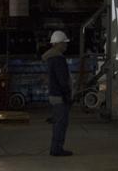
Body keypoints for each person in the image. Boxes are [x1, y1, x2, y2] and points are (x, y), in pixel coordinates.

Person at [42, 29, 73, 157]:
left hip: (53, 94)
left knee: (57, 122)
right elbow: (62, 80)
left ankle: (56, 147)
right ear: (57, 44)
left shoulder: (49, 58)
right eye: (64, 43)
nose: (66, 45)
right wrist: (67, 95)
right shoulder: (58, 59)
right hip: (59, 95)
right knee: (61, 123)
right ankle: (57, 149)